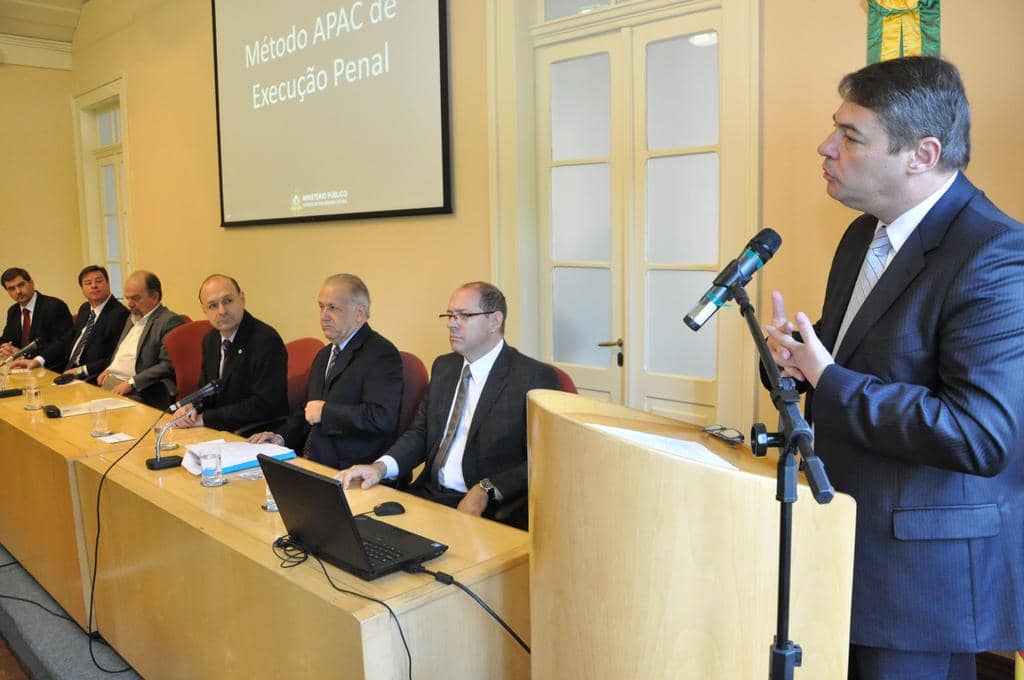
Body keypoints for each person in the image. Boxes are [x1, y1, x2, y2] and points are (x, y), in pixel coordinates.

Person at [764, 56, 1024, 679]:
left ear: (922, 153)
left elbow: (980, 435)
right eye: (836, 128)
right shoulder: (862, 235)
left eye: (851, 136)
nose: (825, 147)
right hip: (847, 546)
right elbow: (853, 357)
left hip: (921, 581)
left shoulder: (994, 253)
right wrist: (797, 362)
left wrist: (829, 379)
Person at [338, 282, 560, 530]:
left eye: (463, 315)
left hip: (489, 509)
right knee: (358, 532)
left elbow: (545, 459)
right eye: (450, 315)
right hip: (430, 495)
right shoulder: (444, 367)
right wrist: (379, 468)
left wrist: (486, 488)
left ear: (495, 321)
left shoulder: (533, 378)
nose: (451, 323)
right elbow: (420, 434)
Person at [248, 274, 403, 469]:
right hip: (311, 462)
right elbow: (307, 411)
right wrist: (280, 438)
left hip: (351, 468)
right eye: (321, 307)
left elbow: (381, 418)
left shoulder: (381, 354)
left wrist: (326, 412)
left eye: (333, 308)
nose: (324, 316)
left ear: (360, 312)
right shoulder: (324, 355)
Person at [173, 274, 288, 433]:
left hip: (254, 433)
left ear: (242, 298)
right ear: (204, 310)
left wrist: (206, 419)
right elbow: (206, 389)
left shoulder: (266, 340)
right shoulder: (211, 339)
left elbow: (263, 405)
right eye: (212, 306)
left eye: (228, 301)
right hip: (220, 429)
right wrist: (192, 407)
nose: (222, 311)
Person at [12, 265, 129, 381]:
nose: (94, 285)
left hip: (92, 376)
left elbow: (114, 357)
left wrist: (81, 370)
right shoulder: (85, 308)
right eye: (88, 283)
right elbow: (66, 340)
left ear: (108, 283)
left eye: (99, 281)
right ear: (82, 289)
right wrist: (38, 360)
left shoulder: (119, 314)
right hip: (67, 369)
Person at [97, 270, 185, 410]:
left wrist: (131, 383)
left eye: (136, 298)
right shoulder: (133, 317)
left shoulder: (169, 321)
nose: (130, 304)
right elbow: (123, 350)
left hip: (142, 390)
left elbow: (167, 365)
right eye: (127, 298)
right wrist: (110, 368)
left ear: (155, 296)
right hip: (113, 382)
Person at [0, 267, 72, 360]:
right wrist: (4, 347)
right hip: (21, 367)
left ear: (31, 283)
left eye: (21, 285)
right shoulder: (13, 311)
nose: (18, 291)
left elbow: (61, 345)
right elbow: (6, 338)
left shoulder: (54, 306)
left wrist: (23, 354)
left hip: (50, 367)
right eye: (11, 289)